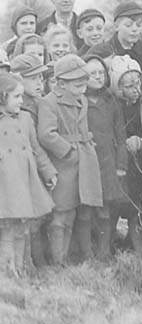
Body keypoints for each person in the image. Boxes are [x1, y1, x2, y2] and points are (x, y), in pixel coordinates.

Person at [38, 54, 103, 265]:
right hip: (64, 164)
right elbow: (47, 134)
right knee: (60, 213)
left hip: (84, 161)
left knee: (77, 210)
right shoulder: (49, 102)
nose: (83, 86)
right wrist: (67, 152)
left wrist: (85, 150)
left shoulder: (81, 99)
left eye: (84, 81)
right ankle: (58, 261)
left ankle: (72, 256)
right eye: (77, 82)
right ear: (61, 82)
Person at [0, 73, 56, 276]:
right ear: (2, 96)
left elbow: (37, 149)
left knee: (21, 229)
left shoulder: (25, 119)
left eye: (22, 96)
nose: (21, 101)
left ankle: (22, 268)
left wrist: (48, 172)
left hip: (23, 182)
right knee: (6, 229)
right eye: (16, 97)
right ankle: (7, 272)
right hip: (4, 186)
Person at [77, 54, 128, 261]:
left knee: (106, 209)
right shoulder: (79, 101)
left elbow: (121, 134)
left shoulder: (111, 100)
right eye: (92, 74)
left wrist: (121, 163)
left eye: (101, 73)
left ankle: (104, 251)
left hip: (108, 161)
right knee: (85, 210)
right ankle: (86, 253)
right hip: (86, 161)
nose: (97, 77)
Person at [109, 55, 142, 255]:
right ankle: (110, 241)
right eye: (129, 85)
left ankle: (136, 244)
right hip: (120, 161)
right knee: (117, 203)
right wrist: (124, 143)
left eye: (137, 83)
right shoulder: (115, 106)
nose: (136, 89)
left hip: (139, 162)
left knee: (137, 207)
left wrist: (140, 139)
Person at [88, 2, 142, 69]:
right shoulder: (99, 52)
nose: (134, 29)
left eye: (138, 25)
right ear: (116, 26)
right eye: (128, 25)